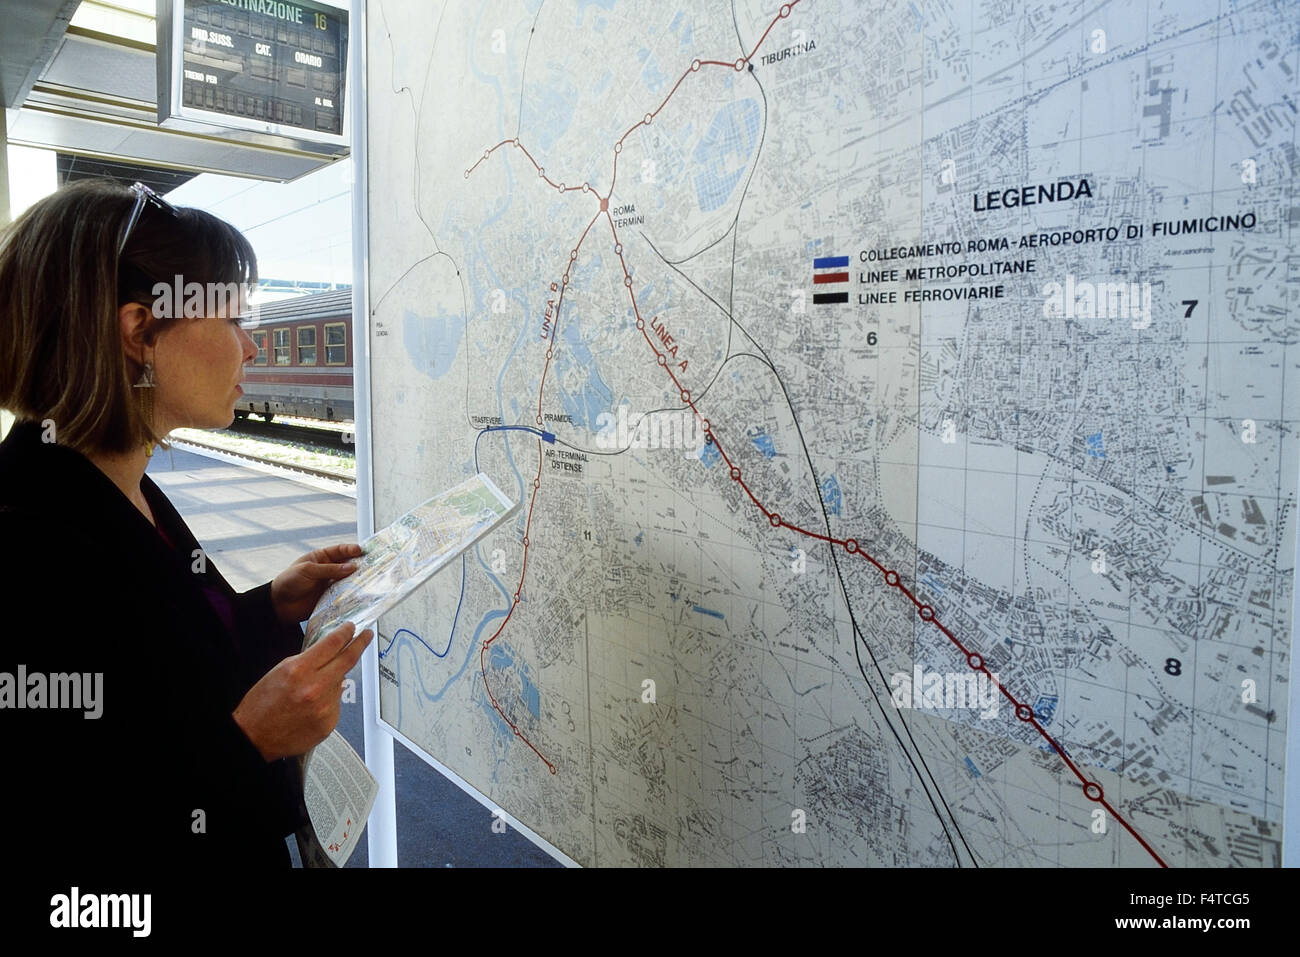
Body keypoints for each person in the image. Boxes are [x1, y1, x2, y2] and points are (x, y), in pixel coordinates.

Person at [0, 179, 374, 870]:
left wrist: (267, 605)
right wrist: (251, 743)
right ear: (141, 330)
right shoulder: (26, 548)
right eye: (236, 319)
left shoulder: (115, 484)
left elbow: (158, 664)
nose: (252, 349)